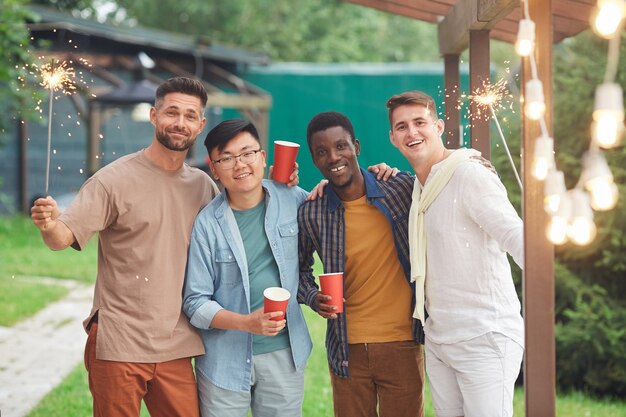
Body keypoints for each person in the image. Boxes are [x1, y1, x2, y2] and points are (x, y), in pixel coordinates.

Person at [30, 77, 265, 417]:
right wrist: (50, 224)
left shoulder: (203, 186)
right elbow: (62, 238)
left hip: (177, 344)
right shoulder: (113, 180)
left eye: (189, 115)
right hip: (119, 343)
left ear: (200, 125)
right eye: (171, 112)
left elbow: (245, 219)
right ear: (154, 116)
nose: (179, 123)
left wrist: (281, 186)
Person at [386, 90, 524, 417]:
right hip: (439, 338)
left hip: (484, 336)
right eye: (402, 127)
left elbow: (516, 236)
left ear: (439, 126)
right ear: (392, 138)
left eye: (420, 122)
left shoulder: (469, 174)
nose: (412, 132)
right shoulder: (420, 186)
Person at [298, 111, 426, 417]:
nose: (333, 157)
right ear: (314, 160)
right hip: (346, 348)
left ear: (356, 146)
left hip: (403, 343)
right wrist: (313, 297)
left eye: (341, 146)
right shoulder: (312, 212)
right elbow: (299, 271)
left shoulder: (401, 190)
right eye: (321, 152)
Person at [182, 119, 312, 417]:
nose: (239, 164)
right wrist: (246, 323)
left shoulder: (293, 199)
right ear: (213, 169)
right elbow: (194, 302)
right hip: (223, 362)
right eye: (226, 158)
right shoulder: (206, 225)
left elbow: (333, 214)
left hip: (285, 354)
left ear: (263, 157)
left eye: (247, 153)